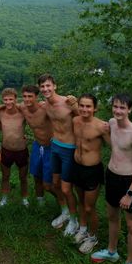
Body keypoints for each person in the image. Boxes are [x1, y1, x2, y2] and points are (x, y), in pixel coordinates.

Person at [91, 94, 132, 264]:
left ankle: (129, 263)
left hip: (130, 181)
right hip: (112, 176)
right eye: (115, 107)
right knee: (112, 217)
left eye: (123, 108)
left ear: (129, 110)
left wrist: (130, 194)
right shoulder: (112, 123)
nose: (118, 111)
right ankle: (112, 251)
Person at [38, 74, 79, 236]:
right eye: (42, 86)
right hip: (55, 146)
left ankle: (74, 221)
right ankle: (65, 212)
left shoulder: (67, 103)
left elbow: (84, 118)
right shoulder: (45, 105)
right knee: (55, 184)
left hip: (69, 148)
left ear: (55, 86)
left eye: (48, 85)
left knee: (67, 189)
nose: (45, 89)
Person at [71, 94, 110, 254]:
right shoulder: (75, 121)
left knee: (89, 207)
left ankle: (93, 237)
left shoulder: (101, 126)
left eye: (88, 106)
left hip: (92, 170)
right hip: (77, 166)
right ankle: (83, 228)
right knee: (81, 201)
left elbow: (114, 145)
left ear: (95, 108)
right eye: (82, 106)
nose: (84, 109)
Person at [19, 85, 64, 209]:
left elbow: (61, 117)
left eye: (30, 96)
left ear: (36, 97)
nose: (27, 99)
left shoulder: (45, 108)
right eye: (24, 96)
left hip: (51, 147)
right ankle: (40, 201)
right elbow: (9, 106)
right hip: (37, 145)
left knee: (49, 184)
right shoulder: (23, 107)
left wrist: (72, 101)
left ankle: (64, 204)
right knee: (36, 176)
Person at [0, 88, 29, 208]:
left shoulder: (22, 112)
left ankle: (24, 198)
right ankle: (4, 198)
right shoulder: (1, 113)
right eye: (5, 100)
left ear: (15, 99)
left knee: (23, 177)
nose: (8, 102)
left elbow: (28, 107)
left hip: (21, 150)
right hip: (6, 149)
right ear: (2, 100)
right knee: (5, 176)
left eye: (11, 99)